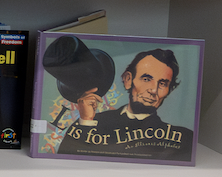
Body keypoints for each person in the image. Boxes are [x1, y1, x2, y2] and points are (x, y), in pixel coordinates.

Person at [53, 47, 194, 160]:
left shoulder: (184, 138)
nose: (153, 90)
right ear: (128, 80)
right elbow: (66, 161)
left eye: (162, 83)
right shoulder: (90, 122)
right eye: (146, 79)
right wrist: (86, 121)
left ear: (169, 90)